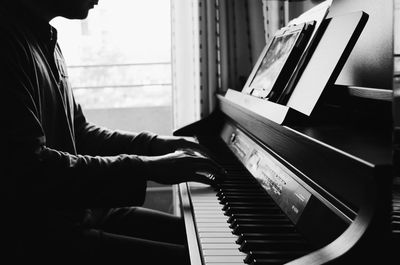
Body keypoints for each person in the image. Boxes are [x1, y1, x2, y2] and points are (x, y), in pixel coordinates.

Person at [0, 0, 225, 264]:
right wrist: (149, 168)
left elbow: (80, 134)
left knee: (198, 239)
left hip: (76, 212)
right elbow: (31, 168)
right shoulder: (6, 40)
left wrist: (155, 145)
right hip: (37, 235)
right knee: (209, 259)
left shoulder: (45, 37)